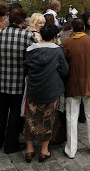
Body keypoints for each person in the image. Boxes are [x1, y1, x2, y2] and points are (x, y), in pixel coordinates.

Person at [23, 24, 69, 163]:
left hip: (34, 88)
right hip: (51, 88)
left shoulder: (31, 50)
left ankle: (29, 149)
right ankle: (44, 150)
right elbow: (65, 70)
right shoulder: (57, 51)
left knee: (31, 117)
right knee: (48, 119)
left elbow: (26, 68)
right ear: (54, 37)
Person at [62, 18, 90, 159]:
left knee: (71, 116)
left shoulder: (67, 43)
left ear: (72, 29)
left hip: (72, 83)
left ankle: (71, 149)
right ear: (84, 28)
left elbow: (63, 64)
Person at [0, 8, 35, 154]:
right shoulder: (27, 36)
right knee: (15, 113)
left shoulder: (0, 33)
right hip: (19, 81)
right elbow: (33, 58)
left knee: (1, 112)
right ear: (22, 21)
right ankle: (11, 144)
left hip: (1, 80)